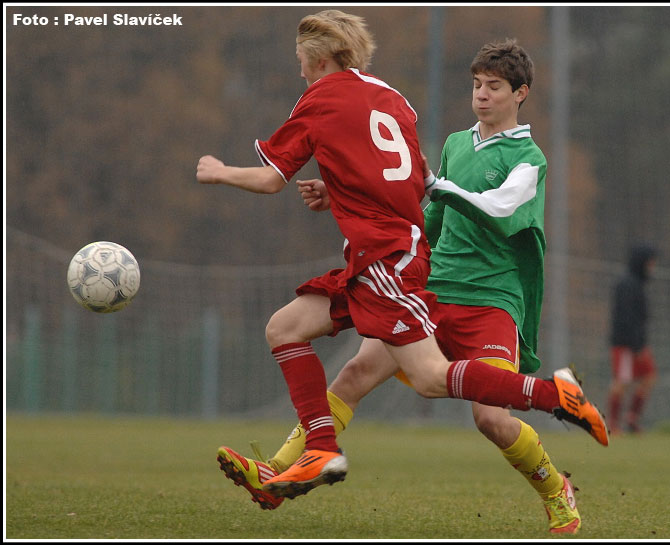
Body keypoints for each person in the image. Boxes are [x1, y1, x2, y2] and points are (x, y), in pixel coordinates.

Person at [199, 10, 606, 504]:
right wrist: (342, 190)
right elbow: (411, 196)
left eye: (494, 86)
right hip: (423, 277)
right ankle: (283, 473)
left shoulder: (528, 157)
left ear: (520, 93)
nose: (482, 94)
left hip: (475, 293)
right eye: (477, 84)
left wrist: (219, 171)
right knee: (318, 349)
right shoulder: (411, 112)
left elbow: (496, 210)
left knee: (477, 409)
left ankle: (556, 436)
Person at [607, 244, 658, 434]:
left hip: (637, 343)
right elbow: (626, 318)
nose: (653, 267)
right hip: (626, 343)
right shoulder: (627, 285)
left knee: (649, 377)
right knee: (621, 381)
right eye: (651, 263)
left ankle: (631, 418)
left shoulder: (637, 284)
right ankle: (612, 424)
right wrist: (636, 346)